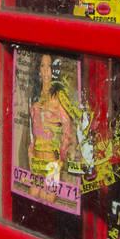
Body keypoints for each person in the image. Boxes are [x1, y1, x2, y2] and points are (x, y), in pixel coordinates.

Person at [26, 54, 77, 192]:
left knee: (47, 197)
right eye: (43, 66)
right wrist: (30, 151)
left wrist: (61, 155)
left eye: (50, 66)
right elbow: (33, 128)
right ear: (38, 70)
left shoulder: (58, 96)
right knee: (33, 195)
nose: (46, 71)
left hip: (51, 159)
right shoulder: (35, 96)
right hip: (36, 158)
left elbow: (67, 129)